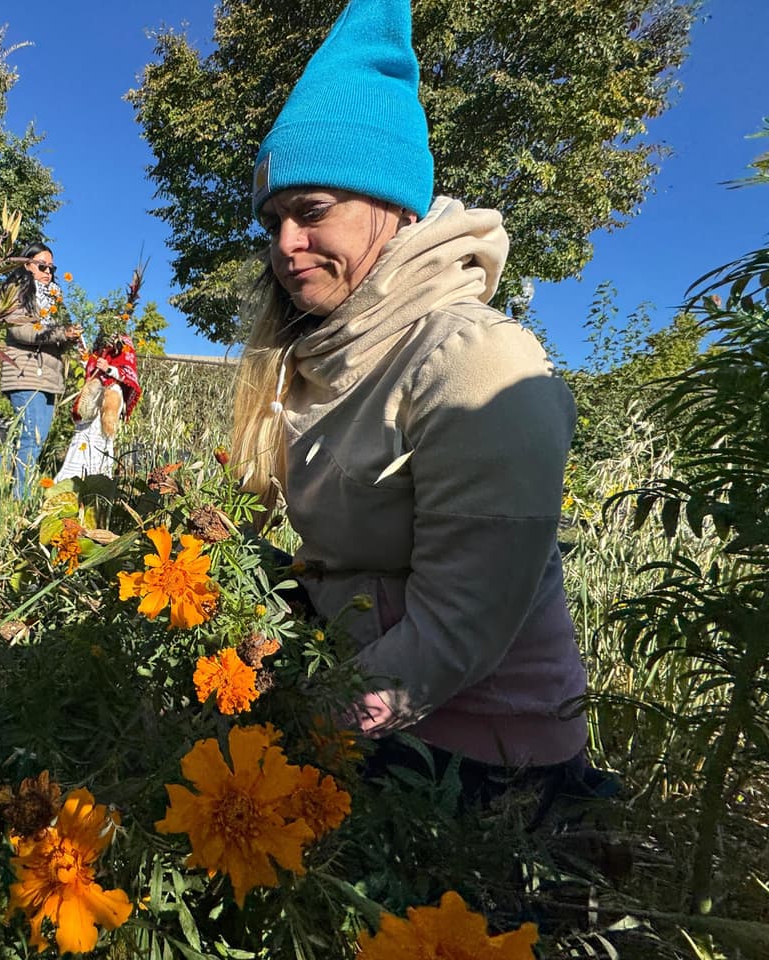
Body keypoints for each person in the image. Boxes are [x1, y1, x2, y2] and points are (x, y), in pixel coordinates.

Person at [231, 0, 590, 794]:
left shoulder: (475, 360)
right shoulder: (321, 352)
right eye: (272, 219)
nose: (285, 246)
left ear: (391, 203)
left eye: (312, 211)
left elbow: (457, 632)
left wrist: (295, 721)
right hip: (358, 713)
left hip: (480, 766)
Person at [0, 241, 82, 493]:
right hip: (25, 374)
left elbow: (55, 341)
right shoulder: (17, 291)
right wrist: (59, 332)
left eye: (52, 268)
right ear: (27, 264)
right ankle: (18, 498)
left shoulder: (54, 300)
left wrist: (69, 337)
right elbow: (21, 330)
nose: (48, 273)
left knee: (30, 440)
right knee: (31, 440)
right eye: (42, 266)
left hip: (48, 378)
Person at [54, 332, 141, 482]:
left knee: (100, 434)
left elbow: (128, 374)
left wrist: (109, 369)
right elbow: (92, 371)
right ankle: (73, 477)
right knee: (84, 434)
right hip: (93, 394)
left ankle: (98, 478)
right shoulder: (99, 351)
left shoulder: (125, 346)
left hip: (111, 394)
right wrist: (86, 360)